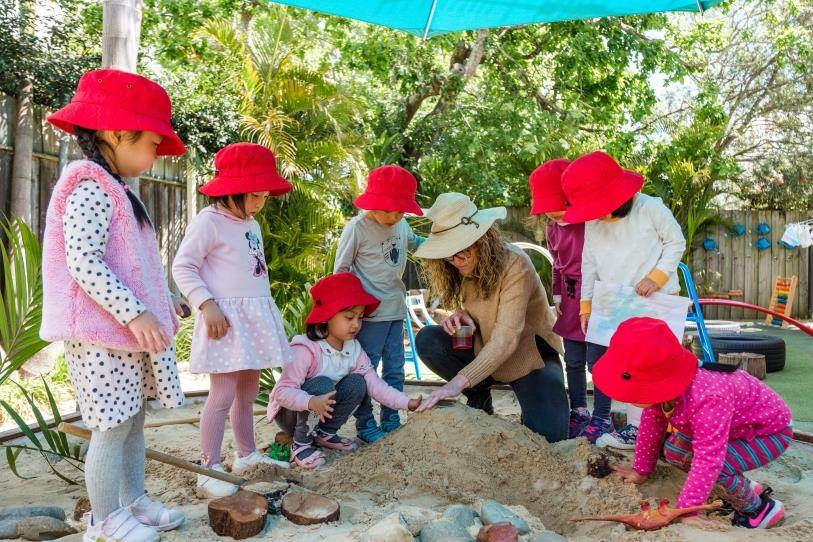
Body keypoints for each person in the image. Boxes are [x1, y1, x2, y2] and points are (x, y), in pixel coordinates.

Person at [41, 69, 187, 542]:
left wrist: (164, 301)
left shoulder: (118, 192)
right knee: (110, 427)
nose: (154, 155)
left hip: (124, 336)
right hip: (101, 336)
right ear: (117, 133)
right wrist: (135, 312)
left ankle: (132, 500)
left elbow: (133, 268)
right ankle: (103, 522)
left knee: (131, 421)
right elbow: (82, 261)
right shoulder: (88, 189)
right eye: (151, 144)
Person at [172, 143, 294, 499]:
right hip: (224, 321)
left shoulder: (250, 222)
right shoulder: (209, 222)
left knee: (248, 391)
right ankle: (207, 466)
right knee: (222, 393)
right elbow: (183, 265)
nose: (260, 203)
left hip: (251, 320)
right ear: (233, 190)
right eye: (255, 195)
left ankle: (246, 453)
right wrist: (206, 303)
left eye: (264, 196)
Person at [594, 317, 792, 529]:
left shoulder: (709, 398)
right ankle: (745, 486)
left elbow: (709, 458)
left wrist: (688, 509)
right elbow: (652, 424)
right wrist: (641, 471)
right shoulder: (665, 390)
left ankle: (759, 509)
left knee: (720, 465)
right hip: (734, 427)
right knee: (674, 450)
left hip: (769, 432)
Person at [412, 193, 569, 443]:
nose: (455, 261)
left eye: (462, 253)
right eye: (449, 255)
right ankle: (479, 393)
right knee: (429, 338)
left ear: (482, 241)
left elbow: (506, 338)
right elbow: (483, 312)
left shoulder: (516, 263)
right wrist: (461, 316)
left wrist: (456, 384)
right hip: (485, 349)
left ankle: (473, 383)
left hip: (530, 356)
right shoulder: (460, 267)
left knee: (550, 437)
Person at [561, 151, 686, 448]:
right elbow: (588, 263)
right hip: (615, 304)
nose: (600, 214)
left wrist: (656, 277)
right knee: (618, 363)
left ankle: (669, 429)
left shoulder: (651, 208)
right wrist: (586, 304)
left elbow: (675, 242)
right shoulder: (593, 223)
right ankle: (636, 428)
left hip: (656, 299)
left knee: (655, 365)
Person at [266, 273, 423, 469]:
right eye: (349, 317)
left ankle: (324, 433)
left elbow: (375, 385)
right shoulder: (306, 349)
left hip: (322, 411)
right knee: (322, 383)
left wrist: (407, 403)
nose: (356, 324)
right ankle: (301, 444)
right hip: (293, 414)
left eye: (360, 317)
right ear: (327, 317)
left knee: (358, 381)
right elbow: (282, 393)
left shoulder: (354, 349)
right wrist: (311, 402)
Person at [334, 165, 425, 443]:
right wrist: (350, 311)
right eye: (389, 210)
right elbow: (342, 269)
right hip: (368, 316)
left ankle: (391, 415)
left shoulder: (401, 223)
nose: (395, 216)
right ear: (373, 203)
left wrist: (443, 245)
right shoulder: (357, 228)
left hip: (395, 311)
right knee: (366, 371)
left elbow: (415, 243)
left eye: (401, 210)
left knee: (395, 369)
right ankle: (364, 422)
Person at [529, 158, 590, 439]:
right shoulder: (553, 228)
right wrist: (556, 295)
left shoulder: (589, 224)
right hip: (568, 297)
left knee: (599, 361)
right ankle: (579, 409)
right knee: (573, 359)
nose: (552, 213)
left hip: (593, 296)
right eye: (546, 210)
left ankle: (601, 414)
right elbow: (556, 264)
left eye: (557, 206)